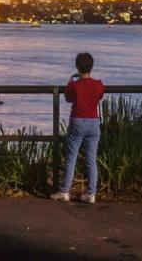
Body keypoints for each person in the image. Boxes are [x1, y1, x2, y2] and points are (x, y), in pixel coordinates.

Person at [52, 52, 105, 204]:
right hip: (93, 123)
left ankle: (64, 192)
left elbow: (68, 98)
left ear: (77, 67)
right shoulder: (99, 85)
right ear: (91, 67)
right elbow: (99, 96)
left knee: (71, 158)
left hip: (77, 122)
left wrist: (70, 82)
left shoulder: (74, 85)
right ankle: (91, 194)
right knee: (91, 160)